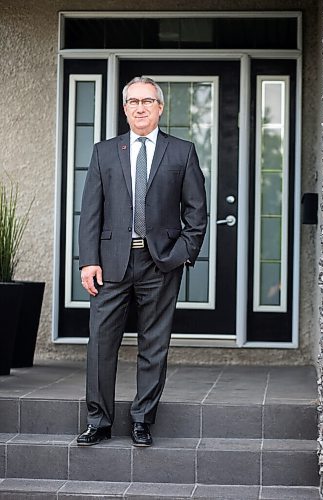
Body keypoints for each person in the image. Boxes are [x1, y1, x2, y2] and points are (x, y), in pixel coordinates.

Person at [77, 76, 207, 447]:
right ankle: (98, 421)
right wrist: (89, 260)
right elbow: (91, 212)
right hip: (110, 262)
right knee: (101, 343)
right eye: (133, 101)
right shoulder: (105, 152)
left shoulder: (181, 152)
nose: (140, 108)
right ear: (124, 109)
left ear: (160, 108)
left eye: (147, 101)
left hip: (160, 264)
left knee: (154, 344)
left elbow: (197, 213)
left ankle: (142, 420)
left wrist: (180, 255)